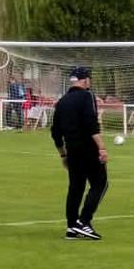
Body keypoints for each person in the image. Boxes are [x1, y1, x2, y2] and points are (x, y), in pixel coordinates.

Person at [50, 66, 109, 240]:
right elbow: (92, 124)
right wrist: (102, 148)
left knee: (76, 188)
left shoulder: (62, 101)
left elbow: (55, 132)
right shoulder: (87, 96)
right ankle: (84, 221)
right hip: (88, 149)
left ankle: (71, 226)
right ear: (85, 80)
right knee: (100, 184)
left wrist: (63, 155)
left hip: (72, 150)